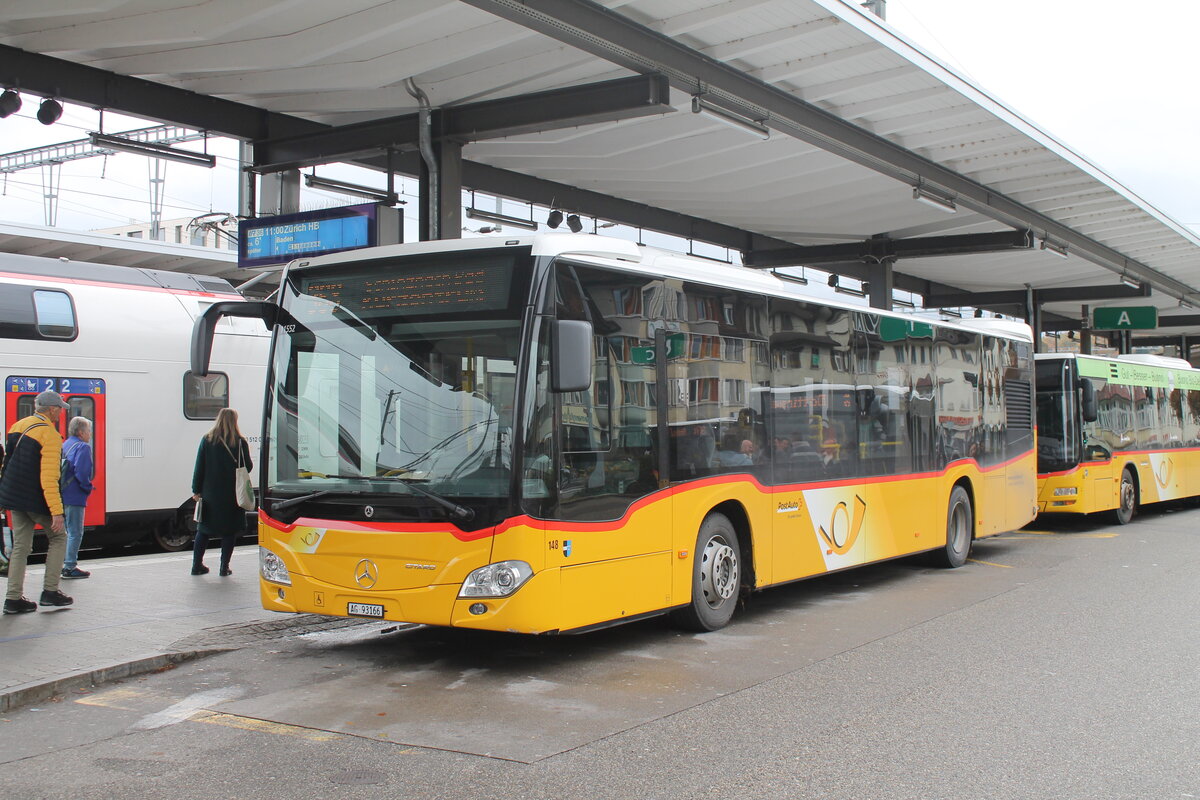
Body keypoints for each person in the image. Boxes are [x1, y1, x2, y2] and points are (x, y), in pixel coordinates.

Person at [0, 390, 73, 614]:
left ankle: (13, 599)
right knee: (59, 537)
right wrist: (57, 511)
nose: (61, 412)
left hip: (15, 496)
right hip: (36, 497)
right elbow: (49, 477)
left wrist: (3, 496)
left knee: (21, 546)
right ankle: (50, 592)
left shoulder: (18, 426)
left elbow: (7, 464)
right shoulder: (49, 434)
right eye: (59, 408)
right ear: (52, 409)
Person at [191, 408, 252, 576]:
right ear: (234, 421)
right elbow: (248, 467)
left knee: (203, 531)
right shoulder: (240, 442)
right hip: (232, 494)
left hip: (210, 494)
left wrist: (196, 490)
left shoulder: (207, 440)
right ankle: (224, 567)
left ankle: (196, 566)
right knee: (229, 532)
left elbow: (199, 467)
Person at [60, 416, 96, 580]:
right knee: (75, 532)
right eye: (88, 430)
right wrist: (87, 488)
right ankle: (69, 566)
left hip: (63, 494)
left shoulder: (66, 444)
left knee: (67, 532)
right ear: (81, 432)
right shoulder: (83, 447)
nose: (90, 434)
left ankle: (63, 564)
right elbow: (82, 472)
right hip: (75, 495)